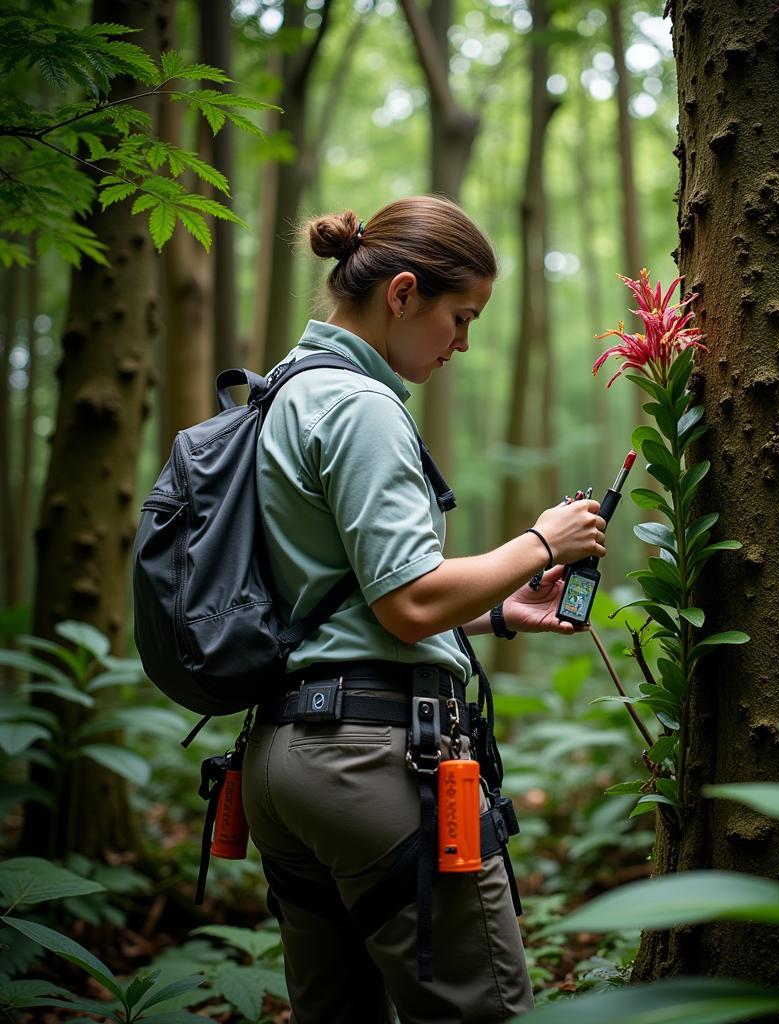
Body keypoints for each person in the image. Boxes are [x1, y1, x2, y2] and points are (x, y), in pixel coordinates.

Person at [241, 195, 606, 1024]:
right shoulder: (361, 407)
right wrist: (542, 542)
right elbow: (407, 604)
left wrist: (498, 612)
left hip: (283, 759)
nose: (464, 345)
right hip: (374, 765)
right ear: (402, 294)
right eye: (461, 317)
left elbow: (339, 598)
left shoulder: (280, 396)